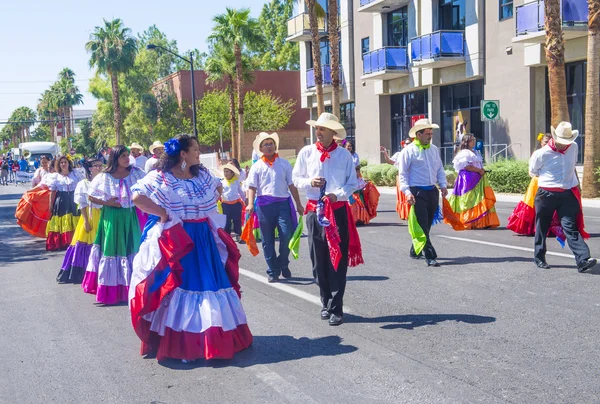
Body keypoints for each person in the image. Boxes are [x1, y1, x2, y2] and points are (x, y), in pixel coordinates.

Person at [130, 134, 253, 362]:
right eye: (195, 149)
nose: (199, 152)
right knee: (182, 285)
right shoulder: (163, 177)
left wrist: (200, 211)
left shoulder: (203, 175)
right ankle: (187, 342)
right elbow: (137, 197)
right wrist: (165, 213)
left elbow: (216, 192)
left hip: (203, 238)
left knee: (209, 284)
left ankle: (211, 339)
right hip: (180, 239)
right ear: (183, 154)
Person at [293, 113, 363, 326]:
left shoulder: (344, 156)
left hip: (337, 211)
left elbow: (353, 184)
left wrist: (337, 194)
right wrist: (309, 182)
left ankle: (336, 308)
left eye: (323, 129)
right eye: (318, 128)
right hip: (315, 212)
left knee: (338, 260)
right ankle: (325, 301)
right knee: (318, 259)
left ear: (333, 133)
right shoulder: (306, 152)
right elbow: (296, 178)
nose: (319, 132)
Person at [82, 145, 146, 304]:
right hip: (111, 217)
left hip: (130, 217)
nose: (126, 158)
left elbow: (148, 187)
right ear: (115, 158)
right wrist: (107, 202)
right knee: (111, 249)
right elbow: (90, 196)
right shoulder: (104, 176)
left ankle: (130, 288)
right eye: (123, 155)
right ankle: (109, 290)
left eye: (127, 155)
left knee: (132, 248)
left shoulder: (136, 173)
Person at [529, 122, 596, 272]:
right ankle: (539, 258)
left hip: (566, 194)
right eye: (561, 142)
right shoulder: (541, 153)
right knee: (542, 226)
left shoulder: (573, 147)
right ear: (554, 138)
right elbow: (533, 171)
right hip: (546, 194)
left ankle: (583, 259)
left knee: (570, 226)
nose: (563, 145)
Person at [246, 132, 304, 282]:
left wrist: (298, 203)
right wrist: (250, 203)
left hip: (283, 203)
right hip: (264, 206)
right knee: (267, 240)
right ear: (261, 148)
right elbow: (251, 187)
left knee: (287, 234)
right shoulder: (257, 167)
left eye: (271, 143)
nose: (269, 146)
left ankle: (283, 262)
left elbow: (291, 185)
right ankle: (272, 270)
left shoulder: (284, 164)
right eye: (266, 144)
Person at [398, 118, 448, 267]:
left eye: (431, 133)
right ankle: (430, 255)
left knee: (426, 224)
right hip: (417, 192)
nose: (430, 136)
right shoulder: (408, 151)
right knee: (421, 224)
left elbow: (439, 169)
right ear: (418, 135)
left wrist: (443, 185)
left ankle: (416, 248)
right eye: (427, 133)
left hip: (432, 191)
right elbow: (403, 175)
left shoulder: (434, 149)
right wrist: (407, 193)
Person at [56, 158, 104, 284]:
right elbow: (82, 204)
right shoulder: (83, 184)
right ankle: (83, 272)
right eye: (96, 166)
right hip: (90, 215)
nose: (99, 168)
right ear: (90, 168)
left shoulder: (106, 181)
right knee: (87, 241)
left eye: (100, 165)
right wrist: (86, 221)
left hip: (104, 215)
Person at [507, 133, 561, 237]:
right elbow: (531, 171)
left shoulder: (555, 153)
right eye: (545, 142)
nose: (547, 144)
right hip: (537, 182)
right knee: (534, 204)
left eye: (549, 142)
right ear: (541, 142)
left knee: (549, 206)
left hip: (549, 182)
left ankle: (550, 228)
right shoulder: (538, 153)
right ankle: (532, 228)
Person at [443, 134, 500, 230]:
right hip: (468, 179)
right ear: (466, 142)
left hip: (478, 178)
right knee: (469, 200)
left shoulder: (475, 152)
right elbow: (467, 166)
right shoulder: (464, 153)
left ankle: (481, 222)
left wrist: (481, 170)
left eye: (474, 140)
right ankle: (469, 220)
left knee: (479, 199)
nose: (474, 142)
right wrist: (479, 171)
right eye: (471, 140)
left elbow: (477, 164)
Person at [43, 156, 84, 251]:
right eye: (61, 163)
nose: (63, 164)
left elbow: (83, 186)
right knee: (63, 220)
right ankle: (63, 242)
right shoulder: (56, 177)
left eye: (65, 162)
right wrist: (50, 204)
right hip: (61, 201)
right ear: (59, 165)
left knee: (76, 217)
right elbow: (52, 192)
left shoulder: (76, 174)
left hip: (74, 200)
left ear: (69, 163)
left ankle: (76, 240)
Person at [381, 140, 412, 220]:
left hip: (411, 177)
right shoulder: (399, 154)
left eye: (409, 143)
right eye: (406, 143)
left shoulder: (413, 154)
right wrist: (385, 153)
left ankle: (411, 213)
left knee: (409, 195)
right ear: (403, 145)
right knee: (402, 195)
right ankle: (404, 213)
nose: (408, 145)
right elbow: (390, 161)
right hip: (401, 177)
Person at [220, 162, 246, 240]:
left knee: (237, 220)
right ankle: (227, 237)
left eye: (227, 171)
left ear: (232, 173)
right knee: (226, 221)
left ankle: (238, 234)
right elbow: (218, 192)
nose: (225, 173)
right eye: (224, 171)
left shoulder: (236, 182)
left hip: (236, 204)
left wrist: (245, 200)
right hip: (225, 205)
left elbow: (241, 192)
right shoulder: (221, 182)